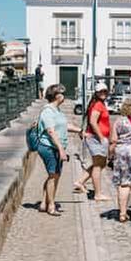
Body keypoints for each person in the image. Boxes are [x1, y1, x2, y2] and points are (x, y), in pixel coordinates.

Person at [37, 84, 82, 216]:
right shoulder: (48, 111)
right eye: (62, 93)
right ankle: (51, 206)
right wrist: (61, 150)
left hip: (55, 147)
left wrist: (80, 130)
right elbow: (51, 131)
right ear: (57, 95)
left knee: (53, 175)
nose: (64, 95)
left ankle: (44, 203)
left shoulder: (57, 110)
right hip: (49, 147)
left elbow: (63, 125)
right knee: (54, 175)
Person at [73, 81, 112, 201]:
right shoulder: (98, 105)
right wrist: (101, 137)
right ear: (96, 92)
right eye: (101, 91)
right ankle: (98, 194)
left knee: (99, 164)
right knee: (98, 166)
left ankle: (80, 182)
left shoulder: (99, 104)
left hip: (96, 138)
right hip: (96, 138)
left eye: (105, 91)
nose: (103, 93)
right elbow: (93, 122)